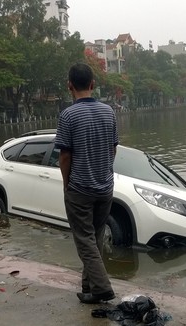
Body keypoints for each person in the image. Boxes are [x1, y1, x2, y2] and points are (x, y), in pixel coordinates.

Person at [54, 63, 119, 304]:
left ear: (69, 86)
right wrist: (104, 172)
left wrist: (66, 184)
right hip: (105, 188)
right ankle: (89, 288)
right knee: (96, 238)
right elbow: (113, 150)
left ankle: (102, 287)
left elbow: (64, 156)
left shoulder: (68, 115)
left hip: (80, 189)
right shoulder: (109, 112)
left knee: (85, 241)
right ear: (93, 85)